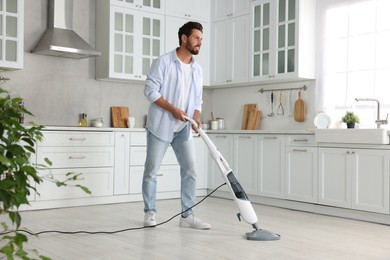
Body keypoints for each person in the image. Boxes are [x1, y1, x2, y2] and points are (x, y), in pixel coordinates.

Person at [142, 21, 210, 230]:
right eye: (196, 38)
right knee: (152, 171)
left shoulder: (197, 70)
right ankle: (150, 212)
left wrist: (196, 116)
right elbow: (150, 91)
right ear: (184, 38)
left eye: (201, 39)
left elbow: (197, 99)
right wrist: (172, 109)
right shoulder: (163, 62)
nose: (200, 42)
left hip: (183, 129)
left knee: (190, 170)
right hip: (161, 126)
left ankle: (187, 216)